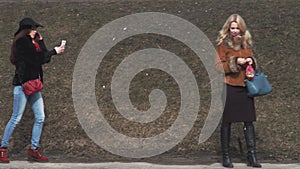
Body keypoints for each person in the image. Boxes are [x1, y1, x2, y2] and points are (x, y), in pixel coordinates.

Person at [0, 17, 65, 163]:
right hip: (23, 85)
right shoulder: (22, 43)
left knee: (40, 117)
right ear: (27, 30)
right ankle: (2, 149)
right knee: (16, 118)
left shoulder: (32, 43)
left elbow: (44, 58)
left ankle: (34, 150)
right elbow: (37, 59)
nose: (36, 31)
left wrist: (41, 42)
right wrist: (53, 51)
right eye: (33, 29)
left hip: (34, 85)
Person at [215, 14, 262, 168]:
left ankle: (252, 155)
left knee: (249, 121)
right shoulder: (223, 45)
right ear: (228, 28)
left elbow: (253, 64)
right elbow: (218, 66)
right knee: (227, 121)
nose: (234, 31)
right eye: (232, 28)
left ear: (241, 28)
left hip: (245, 86)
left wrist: (251, 61)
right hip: (230, 86)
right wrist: (235, 62)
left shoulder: (246, 43)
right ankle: (226, 156)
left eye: (237, 28)